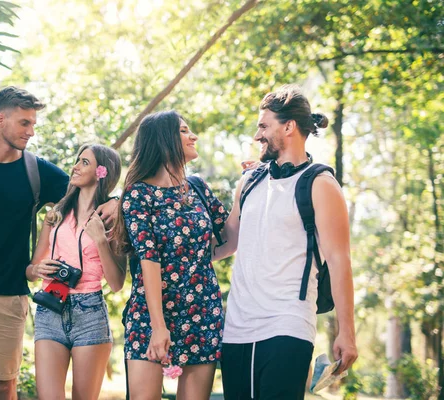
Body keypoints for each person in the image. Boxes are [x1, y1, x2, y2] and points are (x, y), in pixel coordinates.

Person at [0, 87, 116, 399]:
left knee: (3, 385)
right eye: (25, 123)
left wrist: (117, 202)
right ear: (1, 120)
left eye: (33, 124)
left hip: (9, 296)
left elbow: (91, 190)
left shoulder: (38, 171)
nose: (31, 131)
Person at [213, 85, 358, 399]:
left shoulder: (321, 184)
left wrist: (347, 332)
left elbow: (339, 259)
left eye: (264, 126)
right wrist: (164, 248)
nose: (257, 135)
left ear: (289, 127)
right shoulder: (249, 181)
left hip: (287, 325)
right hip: (236, 327)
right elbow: (227, 242)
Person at [113, 110, 228, 400]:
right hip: (150, 314)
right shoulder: (137, 194)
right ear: (165, 139)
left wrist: (247, 187)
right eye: (185, 130)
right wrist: (158, 326)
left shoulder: (199, 187)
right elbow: (149, 259)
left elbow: (229, 237)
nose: (194, 136)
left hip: (202, 310)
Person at [26, 143, 126, 400]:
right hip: (50, 306)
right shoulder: (55, 215)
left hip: (90, 313)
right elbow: (30, 269)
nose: (75, 166)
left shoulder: (113, 219)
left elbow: (116, 284)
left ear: (102, 172)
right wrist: (38, 268)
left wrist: (101, 240)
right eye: (77, 160)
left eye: (85, 162)